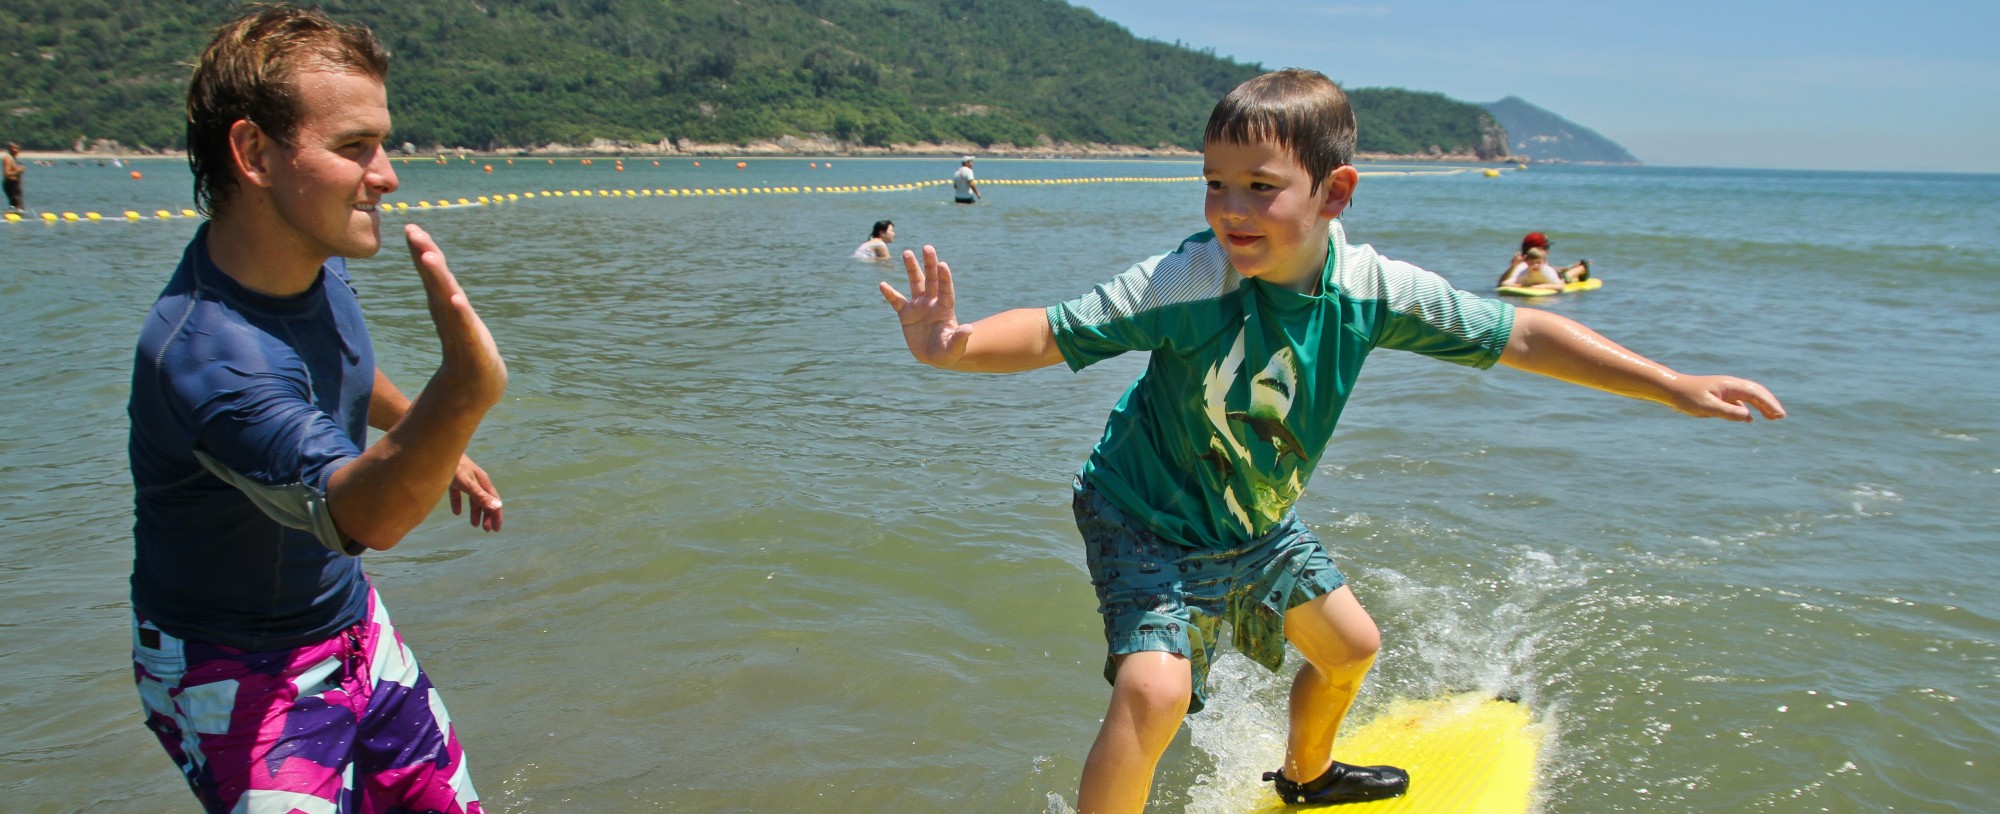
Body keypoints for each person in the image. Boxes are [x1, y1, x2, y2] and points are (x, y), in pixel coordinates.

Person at [878, 68, 1784, 813]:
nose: (1231, 207)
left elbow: (1525, 335)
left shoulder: (1372, 290)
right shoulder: (1188, 277)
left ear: (1334, 191)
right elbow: (1053, 330)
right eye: (1215, 181)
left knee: (1350, 647)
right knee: (1154, 693)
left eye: (1261, 188)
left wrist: (1669, 384)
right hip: (1142, 514)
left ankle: (1308, 778)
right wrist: (952, 348)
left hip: (1255, 522)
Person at [126, 6, 504, 812]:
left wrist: (416, 432)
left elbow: (339, 366)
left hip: (353, 626)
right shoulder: (207, 357)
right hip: (234, 673)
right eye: (353, 148)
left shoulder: (305, 264)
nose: (388, 173)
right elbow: (362, 514)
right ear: (254, 153)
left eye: (383, 144)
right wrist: (462, 391)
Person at [1498, 231, 1589, 287]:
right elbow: (1502, 284)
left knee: (1561, 273)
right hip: (1552, 277)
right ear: (1541, 250)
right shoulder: (1522, 265)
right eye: (1547, 248)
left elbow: (1501, 284)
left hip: (1543, 275)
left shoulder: (1521, 262)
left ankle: (1580, 267)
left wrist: (1569, 266)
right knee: (1564, 279)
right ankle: (1583, 267)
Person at [1501, 247, 1566, 292]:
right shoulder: (1524, 273)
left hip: (1553, 274)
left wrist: (1544, 286)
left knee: (1562, 277)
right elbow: (1504, 283)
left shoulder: (1548, 272)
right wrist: (1515, 285)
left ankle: (1562, 272)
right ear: (1526, 262)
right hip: (1522, 269)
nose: (1535, 265)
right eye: (1531, 263)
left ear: (1544, 262)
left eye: (1538, 262)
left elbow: (1561, 287)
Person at [4, 142, 24, 212]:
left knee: (19, 205)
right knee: (15, 204)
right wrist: (18, 170)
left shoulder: (14, 159)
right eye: (16, 148)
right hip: (10, 184)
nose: (18, 150)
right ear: (11, 149)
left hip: (15, 184)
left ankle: (19, 214)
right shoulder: (8, 159)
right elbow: (7, 173)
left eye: (18, 149)